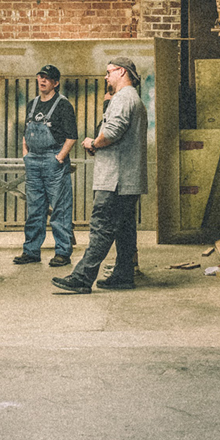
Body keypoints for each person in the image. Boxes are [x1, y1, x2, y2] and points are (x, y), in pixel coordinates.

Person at [53, 57, 147, 294]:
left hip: (116, 179)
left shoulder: (123, 98)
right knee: (124, 228)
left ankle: (82, 277)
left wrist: (93, 142)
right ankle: (123, 275)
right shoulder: (132, 98)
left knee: (102, 226)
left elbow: (112, 132)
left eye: (109, 72)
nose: (106, 77)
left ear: (122, 72)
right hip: (127, 178)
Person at [16, 65, 78, 266]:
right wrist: (26, 154)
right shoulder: (32, 105)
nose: (42, 81)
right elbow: (26, 132)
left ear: (55, 83)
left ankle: (62, 252)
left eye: (47, 78)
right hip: (33, 160)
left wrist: (59, 158)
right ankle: (31, 251)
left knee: (60, 209)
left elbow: (72, 137)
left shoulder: (63, 105)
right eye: (40, 77)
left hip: (53, 161)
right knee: (35, 208)